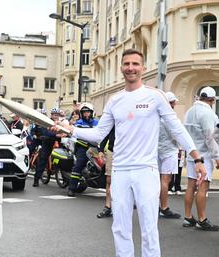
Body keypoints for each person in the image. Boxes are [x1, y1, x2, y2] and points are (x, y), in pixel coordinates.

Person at [51, 49, 206, 257]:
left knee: (149, 227)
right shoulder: (115, 100)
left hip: (146, 170)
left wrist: (197, 158)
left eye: (135, 64)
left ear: (142, 67)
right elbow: (99, 134)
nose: (130, 68)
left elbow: (177, 128)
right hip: (121, 171)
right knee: (120, 227)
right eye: (126, 64)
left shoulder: (155, 96)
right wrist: (70, 129)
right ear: (121, 68)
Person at [183, 86, 219, 231]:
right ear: (211, 100)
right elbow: (210, 139)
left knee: (191, 185)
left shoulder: (189, 111)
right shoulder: (208, 114)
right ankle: (202, 219)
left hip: (193, 155)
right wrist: (217, 157)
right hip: (204, 156)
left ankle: (188, 217)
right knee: (203, 187)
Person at [157, 91, 181, 219]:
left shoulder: (157, 115)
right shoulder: (170, 117)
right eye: (174, 102)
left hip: (157, 150)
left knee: (158, 180)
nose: (175, 104)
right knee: (166, 180)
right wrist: (181, 147)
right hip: (169, 150)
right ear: (171, 103)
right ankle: (164, 208)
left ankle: (156, 206)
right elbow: (175, 134)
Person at [67, 103, 98, 197]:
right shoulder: (79, 123)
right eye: (84, 112)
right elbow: (75, 134)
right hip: (82, 147)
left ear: (91, 113)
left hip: (95, 148)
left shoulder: (97, 123)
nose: (86, 114)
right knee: (79, 164)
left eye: (88, 112)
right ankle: (71, 189)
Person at [33, 108, 61, 187]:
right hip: (48, 142)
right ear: (51, 115)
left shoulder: (60, 123)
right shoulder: (47, 122)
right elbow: (45, 132)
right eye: (54, 115)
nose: (56, 116)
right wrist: (55, 135)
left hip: (58, 143)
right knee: (43, 159)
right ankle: (36, 179)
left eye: (57, 115)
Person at [97, 126, 115, 218]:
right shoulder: (114, 118)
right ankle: (108, 207)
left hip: (128, 154)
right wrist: (100, 150)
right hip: (112, 151)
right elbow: (105, 135)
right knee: (109, 180)